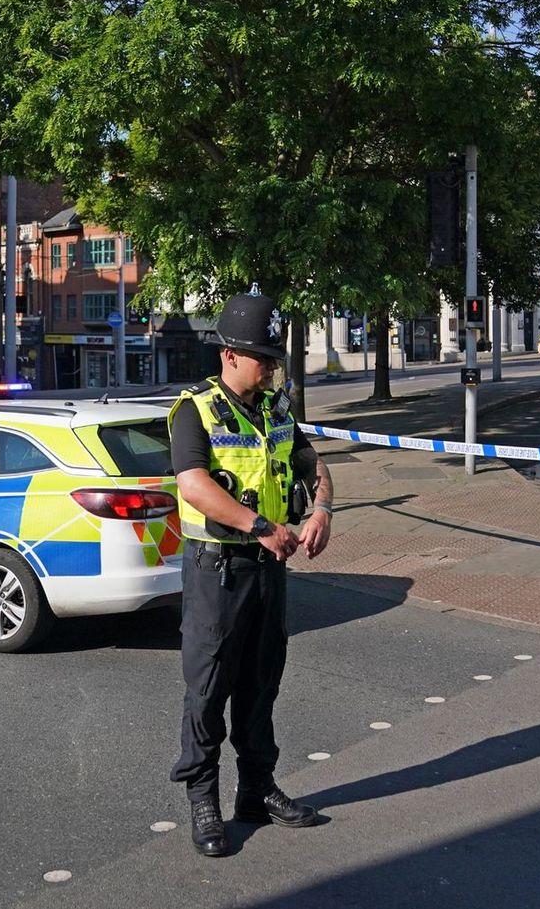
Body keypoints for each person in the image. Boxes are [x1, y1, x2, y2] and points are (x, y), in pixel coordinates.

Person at [168, 288, 334, 857]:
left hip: (269, 570)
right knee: (209, 688)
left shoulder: (276, 408)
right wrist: (262, 526)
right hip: (218, 570)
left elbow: (314, 465)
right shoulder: (195, 410)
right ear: (230, 354)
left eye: (275, 358)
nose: (272, 367)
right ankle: (204, 800)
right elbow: (194, 485)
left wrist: (322, 511)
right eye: (264, 358)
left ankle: (256, 792)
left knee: (262, 684)